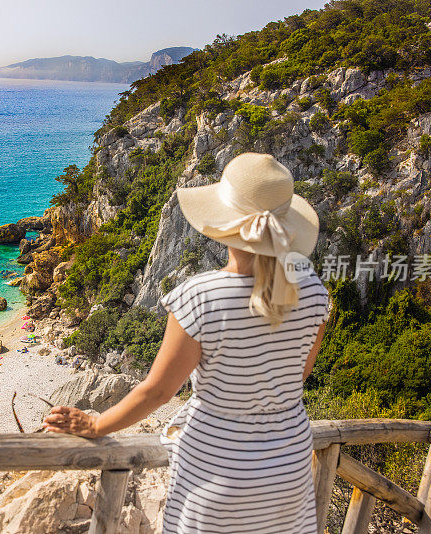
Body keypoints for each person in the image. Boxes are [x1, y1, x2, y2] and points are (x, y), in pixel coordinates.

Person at [43, 153, 329, 533]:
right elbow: (300, 370)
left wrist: (95, 424)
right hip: (288, 467)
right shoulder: (313, 290)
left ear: (226, 223)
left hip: (218, 472)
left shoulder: (202, 296)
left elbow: (158, 391)